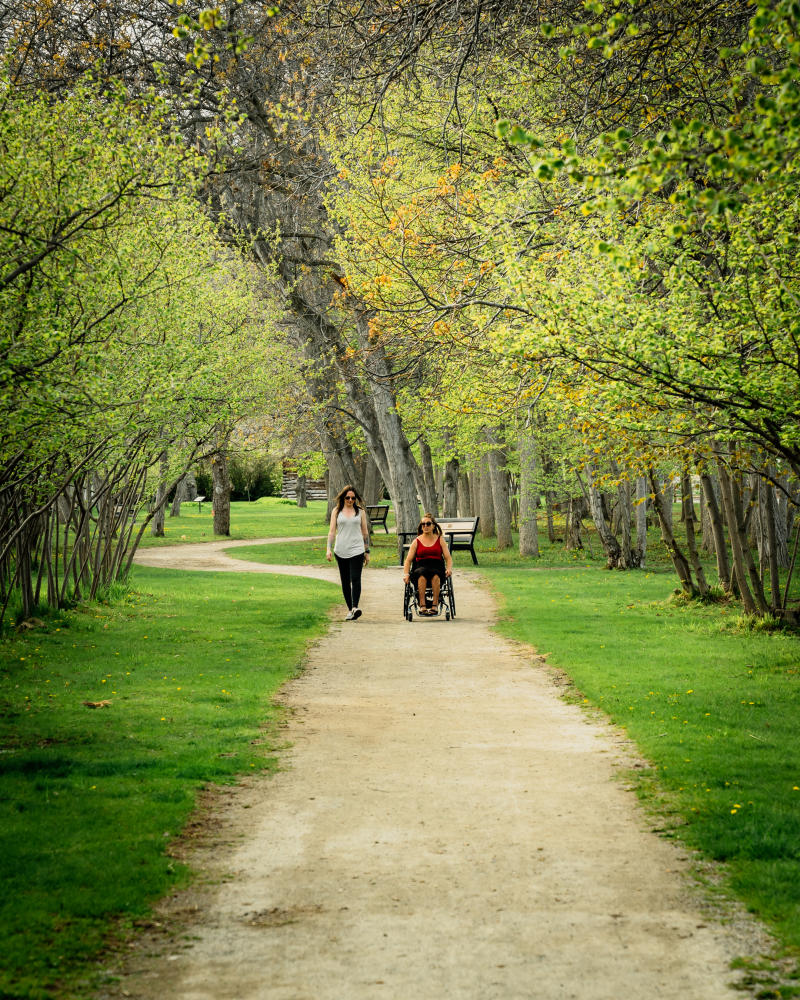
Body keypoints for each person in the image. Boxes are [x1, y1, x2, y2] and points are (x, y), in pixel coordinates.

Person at [326, 485, 370, 620]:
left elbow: (365, 532)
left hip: (357, 549)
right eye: (348, 498)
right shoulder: (336, 511)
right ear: (343, 498)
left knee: (356, 578)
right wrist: (328, 548)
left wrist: (366, 551)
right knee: (345, 581)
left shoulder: (360, 512)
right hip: (341, 549)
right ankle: (350, 610)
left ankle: (355, 607)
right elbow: (332, 531)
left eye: (353, 498)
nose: (350, 500)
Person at [402, 513, 452, 616]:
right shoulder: (416, 541)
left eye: (428, 523)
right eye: (423, 524)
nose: (425, 526)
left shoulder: (440, 540)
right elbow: (408, 560)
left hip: (437, 566)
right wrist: (406, 574)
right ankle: (422, 605)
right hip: (420, 567)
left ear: (433, 525)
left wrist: (449, 568)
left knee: (436, 576)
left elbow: (448, 557)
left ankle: (435, 605)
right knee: (421, 575)